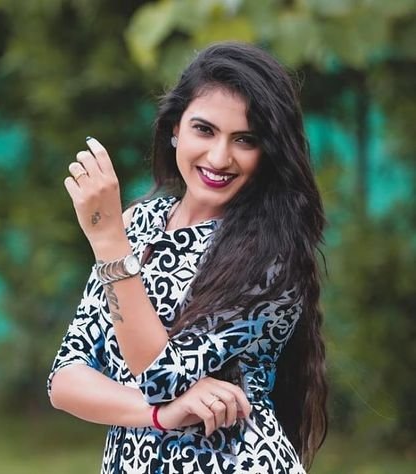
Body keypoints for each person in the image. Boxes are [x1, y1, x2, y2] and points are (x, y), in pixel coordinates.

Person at [47, 41, 327, 474]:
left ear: (267, 151)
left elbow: (162, 376)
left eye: (245, 140)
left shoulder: (270, 255)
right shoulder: (137, 223)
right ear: (175, 127)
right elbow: (66, 379)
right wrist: (159, 416)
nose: (219, 157)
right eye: (204, 130)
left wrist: (108, 242)